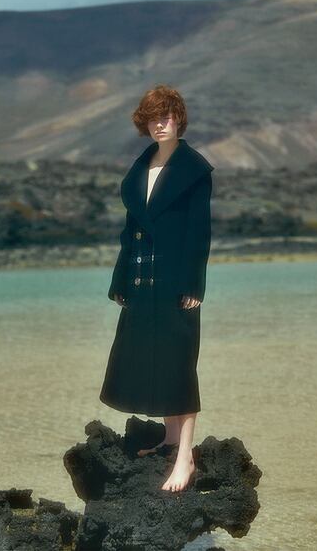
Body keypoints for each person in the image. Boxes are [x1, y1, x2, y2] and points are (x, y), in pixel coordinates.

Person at [100, 84, 214, 492]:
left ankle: (185, 457)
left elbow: (199, 233)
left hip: (175, 283)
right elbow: (129, 231)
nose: (159, 124)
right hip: (139, 281)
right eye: (152, 118)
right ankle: (168, 441)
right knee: (151, 360)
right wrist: (118, 279)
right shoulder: (141, 166)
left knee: (180, 365)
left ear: (179, 119)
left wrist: (193, 284)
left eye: (166, 116)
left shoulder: (195, 170)